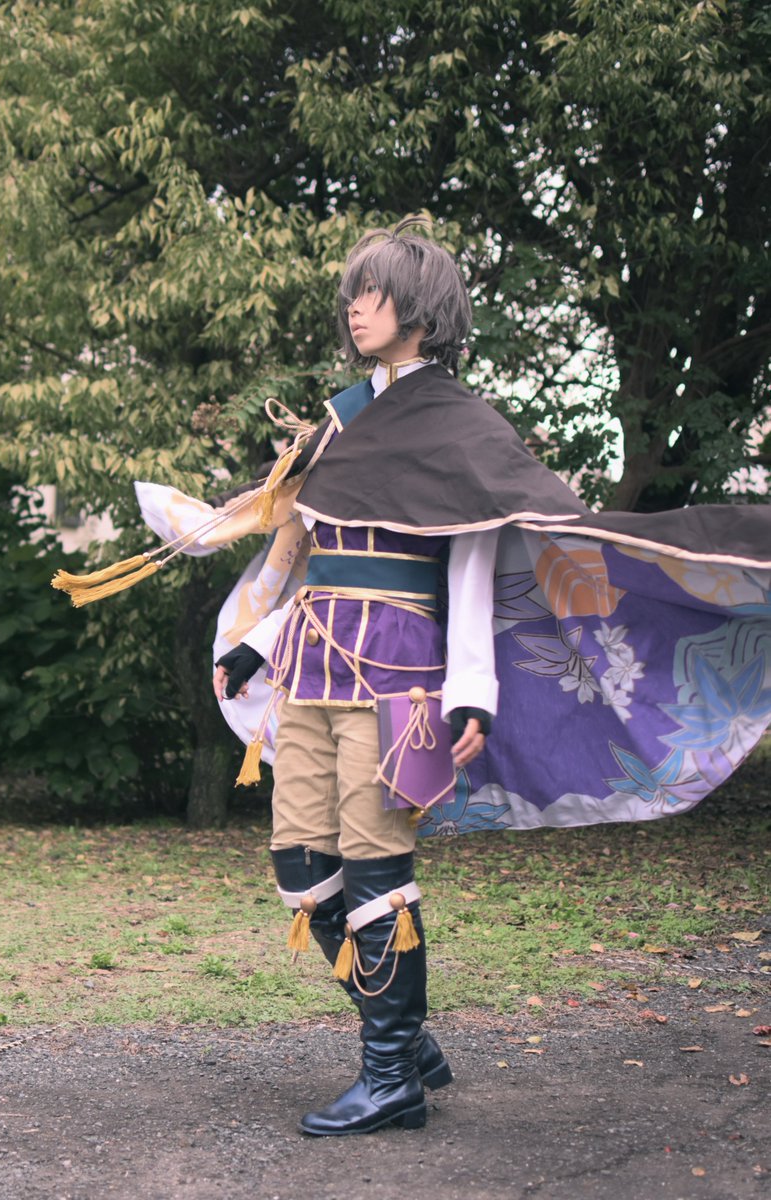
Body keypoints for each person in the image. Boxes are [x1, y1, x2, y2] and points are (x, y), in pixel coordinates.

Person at [208, 219, 771, 1138]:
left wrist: (473, 692)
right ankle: (404, 1037)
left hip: (397, 679)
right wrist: (259, 643)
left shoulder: (459, 428)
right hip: (309, 661)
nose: (355, 308)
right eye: (352, 293)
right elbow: (325, 562)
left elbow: (468, 573)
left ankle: (390, 1076)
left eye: (374, 294)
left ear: (420, 311)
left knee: (374, 865)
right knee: (299, 866)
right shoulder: (341, 418)